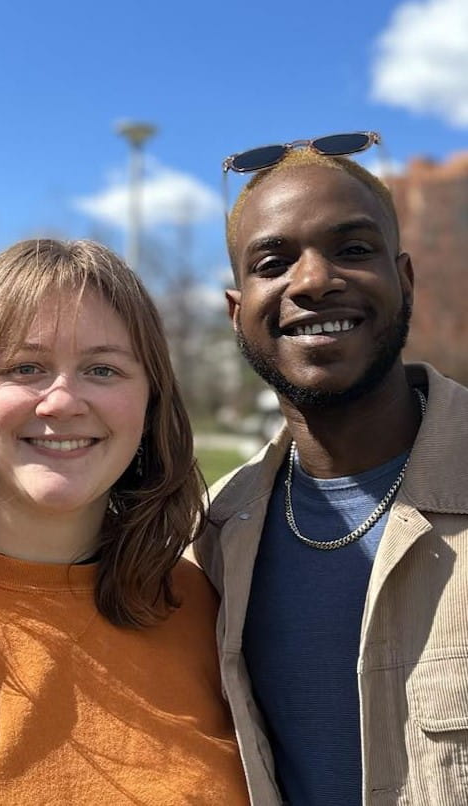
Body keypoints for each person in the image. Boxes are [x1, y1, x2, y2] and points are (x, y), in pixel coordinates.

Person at [0, 238, 249, 805]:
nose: (62, 402)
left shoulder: (206, 610)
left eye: (102, 369)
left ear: (151, 402)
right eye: (25, 367)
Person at [196, 135, 468, 806]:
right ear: (238, 315)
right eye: (273, 260)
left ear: (403, 280)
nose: (314, 281)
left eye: (351, 250)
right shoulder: (210, 543)